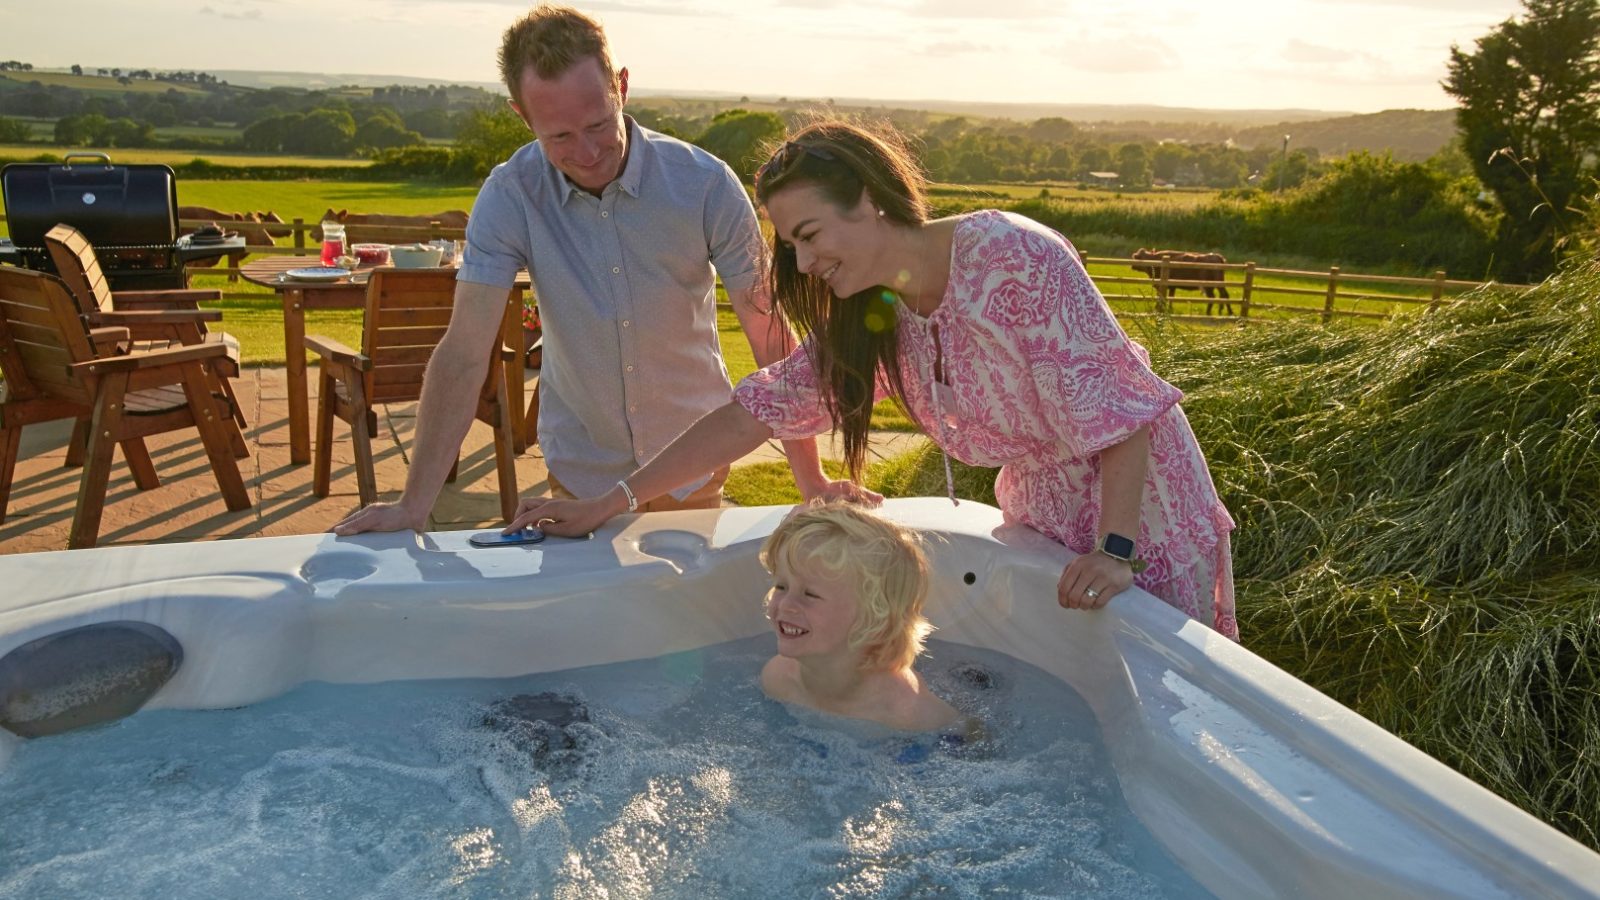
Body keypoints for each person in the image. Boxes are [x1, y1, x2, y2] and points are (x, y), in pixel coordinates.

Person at [510, 120, 1239, 641]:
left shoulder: (1015, 259)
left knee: (1161, 731)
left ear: (867, 201)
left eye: (810, 235)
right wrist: (609, 501)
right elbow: (753, 412)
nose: (800, 264)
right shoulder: (876, 317)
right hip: (1044, 523)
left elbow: (1120, 412)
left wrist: (1115, 552)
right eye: (789, 244)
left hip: (1142, 518)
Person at [332, 5, 825, 536]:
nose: (588, 153)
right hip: (581, 470)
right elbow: (464, 350)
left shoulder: (705, 185)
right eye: (559, 137)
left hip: (692, 465)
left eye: (598, 125)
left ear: (622, 86)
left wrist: (812, 482)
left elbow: (770, 336)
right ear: (522, 115)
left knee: (681, 618)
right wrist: (413, 506)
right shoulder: (510, 194)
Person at [760, 501, 978, 736]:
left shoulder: (905, 710)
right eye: (781, 586)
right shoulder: (778, 679)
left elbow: (971, 735)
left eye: (810, 594)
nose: (786, 604)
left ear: (873, 618)